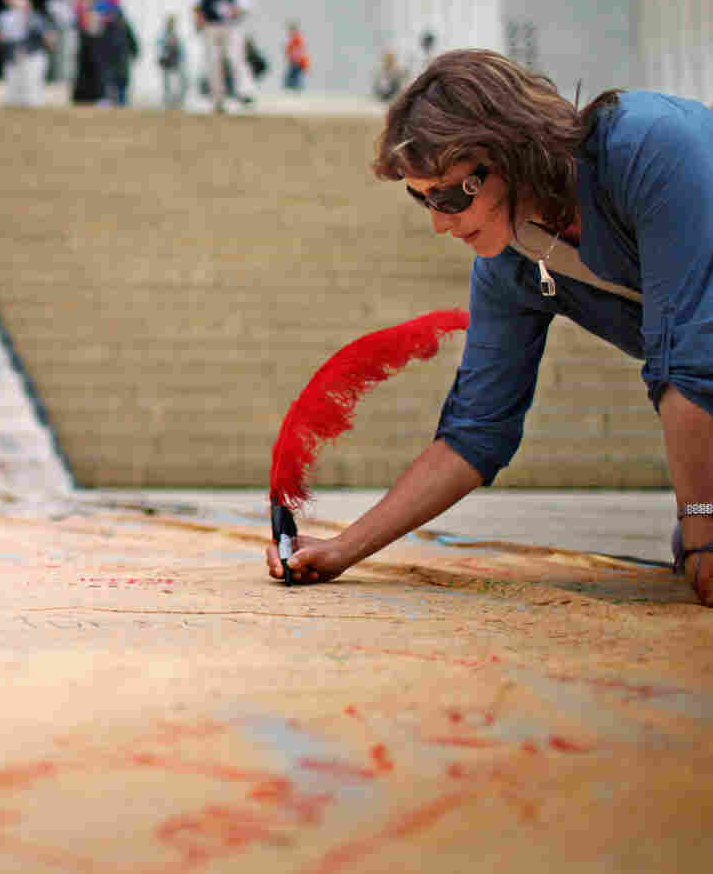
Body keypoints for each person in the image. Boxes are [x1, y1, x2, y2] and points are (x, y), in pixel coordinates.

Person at [266, 49, 713, 607]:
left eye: (450, 196)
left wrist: (702, 526)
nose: (437, 222)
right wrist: (342, 549)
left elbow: (691, 365)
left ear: (510, 152)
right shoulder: (511, 264)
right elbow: (474, 435)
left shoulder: (649, 147)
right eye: (421, 198)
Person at [193, 0, 256, 113]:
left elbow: (244, 4)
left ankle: (245, 92)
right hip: (211, 26)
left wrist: (233, 10)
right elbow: (199, 3)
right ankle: (217, 99)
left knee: (235, 58)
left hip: (231, 26)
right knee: (213, 61)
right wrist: (199, 18)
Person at [71, 0, 123, 105]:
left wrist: (101, 15)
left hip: (104, 33)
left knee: (103, 64)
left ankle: (105, 96)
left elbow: (115, 7)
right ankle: (86, 97)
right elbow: (78, 9)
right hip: (87, 33)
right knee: (86, 64)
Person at [0, 0, 53, 107]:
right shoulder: (5, 18)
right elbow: (0, 38)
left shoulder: (34, 18)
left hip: (33, 55)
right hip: (13, 57)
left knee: (32, 88)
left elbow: (47, 36)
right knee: (14, 89)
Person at [157, 15, 188, 109]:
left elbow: (181, 50)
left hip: (176, 61)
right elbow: (160, 48)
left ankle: (178, 100)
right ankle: (168, 100)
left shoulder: (176, 36)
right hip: (167, 62)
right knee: (167, 83)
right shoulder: (163, 36)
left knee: (180, 81)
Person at [283, 23, 310, 90]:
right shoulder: (294, 40)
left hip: (297, 63)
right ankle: (295, 90)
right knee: (293, 79)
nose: (290, 32)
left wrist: (296, 60)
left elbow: (298, 52)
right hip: (295, 62)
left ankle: (296, 91)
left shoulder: (297, 40)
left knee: (293, 79)